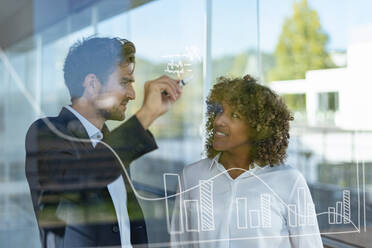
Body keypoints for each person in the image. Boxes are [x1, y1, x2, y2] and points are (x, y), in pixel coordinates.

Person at [25, 37, 182, 248]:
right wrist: (145, 115)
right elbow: (83, 179)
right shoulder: (46, 133)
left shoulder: (108, 143)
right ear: (91, 84)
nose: (133, 94)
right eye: (124, 82)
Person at [170, 75, 323, 247]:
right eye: (219, 111)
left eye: (234, 115)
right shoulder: (192, 176)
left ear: (258, 128)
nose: (219, 121)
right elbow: (180, 244)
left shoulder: (289, 180)